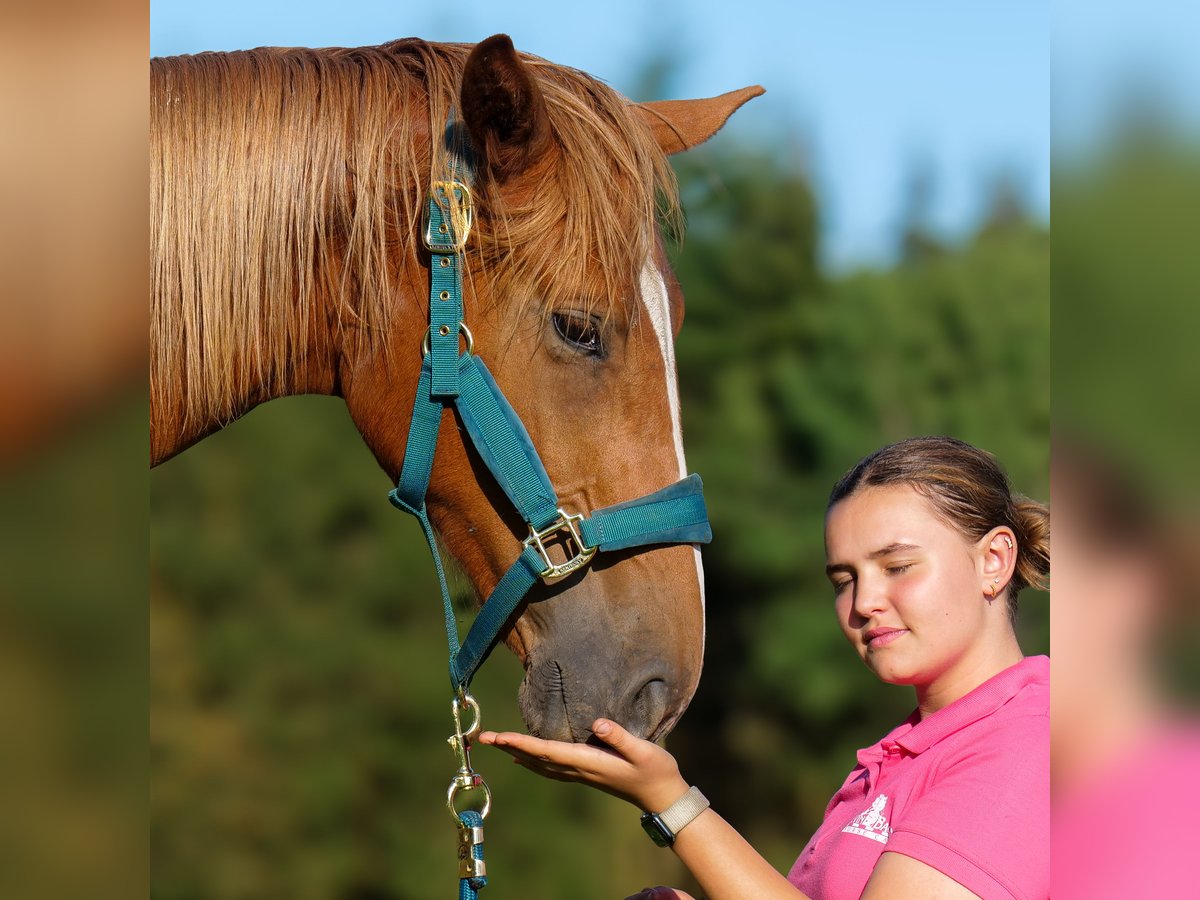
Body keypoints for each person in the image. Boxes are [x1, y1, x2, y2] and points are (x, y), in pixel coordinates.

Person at [479, 436, 1050, 899]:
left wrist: (673, 804)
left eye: (897, 566)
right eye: (844, 580)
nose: (863, 602)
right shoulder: (902, 755)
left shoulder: (1029, 743)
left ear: (994, 561)